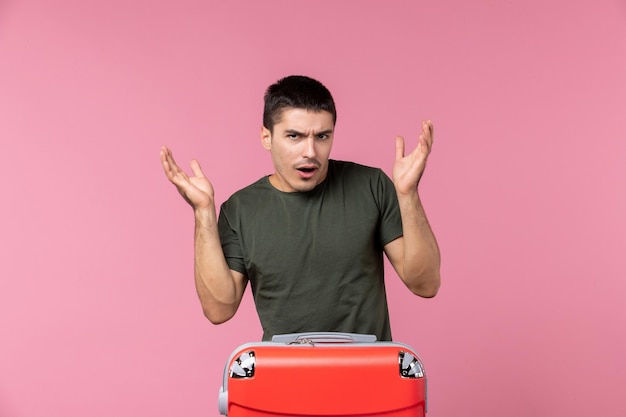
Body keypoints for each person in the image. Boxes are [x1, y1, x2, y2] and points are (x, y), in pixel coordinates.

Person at [161, 75, 440, 341]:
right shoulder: (240, 210)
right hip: (284, 380)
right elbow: (219, 310)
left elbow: (425, 284)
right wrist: (203, 212)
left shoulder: (372, 186)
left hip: (368, 376)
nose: (310, 152)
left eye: (322, 136)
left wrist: (408, 194)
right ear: (266, 137)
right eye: (294, 136)